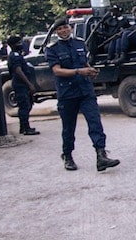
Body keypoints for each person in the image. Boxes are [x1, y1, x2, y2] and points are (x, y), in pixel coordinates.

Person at [44, 17, 120, 172]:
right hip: (67, 93)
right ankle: (67, 155)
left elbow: (85, 63)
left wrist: (90, 71)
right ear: (56, 32)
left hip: (85, 90)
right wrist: (79, 71)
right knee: (68, 127)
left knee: (95, 123)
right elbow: (57, 70)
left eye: (65, 27)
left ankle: (101, 155)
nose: (63, 31)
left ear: (70, 28)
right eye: (60, 29)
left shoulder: (79, 44)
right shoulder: (52, 49)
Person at [6, 34, 39, 136]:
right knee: (24, 106)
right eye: (18, 43)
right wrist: (29, 85)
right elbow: (18, 71)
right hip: (21, 84)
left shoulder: (18, 55)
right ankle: (25, 128)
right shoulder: (14, 56)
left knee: (27, 105)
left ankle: (24, 127)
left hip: (22, 84)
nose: (21, 44)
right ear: (12, 45)